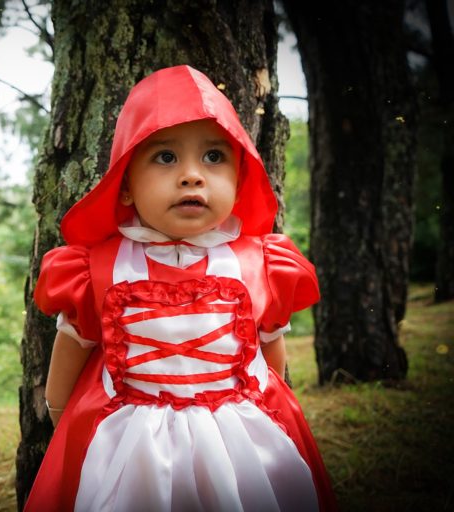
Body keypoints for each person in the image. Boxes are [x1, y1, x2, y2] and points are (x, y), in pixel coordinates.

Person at [24, 65, 337, 512]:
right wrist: (65, 424)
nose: (192, 175)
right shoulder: (96, 268)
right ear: (126, 185)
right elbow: (70, 356)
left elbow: (269, 360)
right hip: (130, 447)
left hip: (244, 439)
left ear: (240, 176)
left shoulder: (261, 264)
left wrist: (279, 414)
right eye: (165, 157)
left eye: (214, 157)